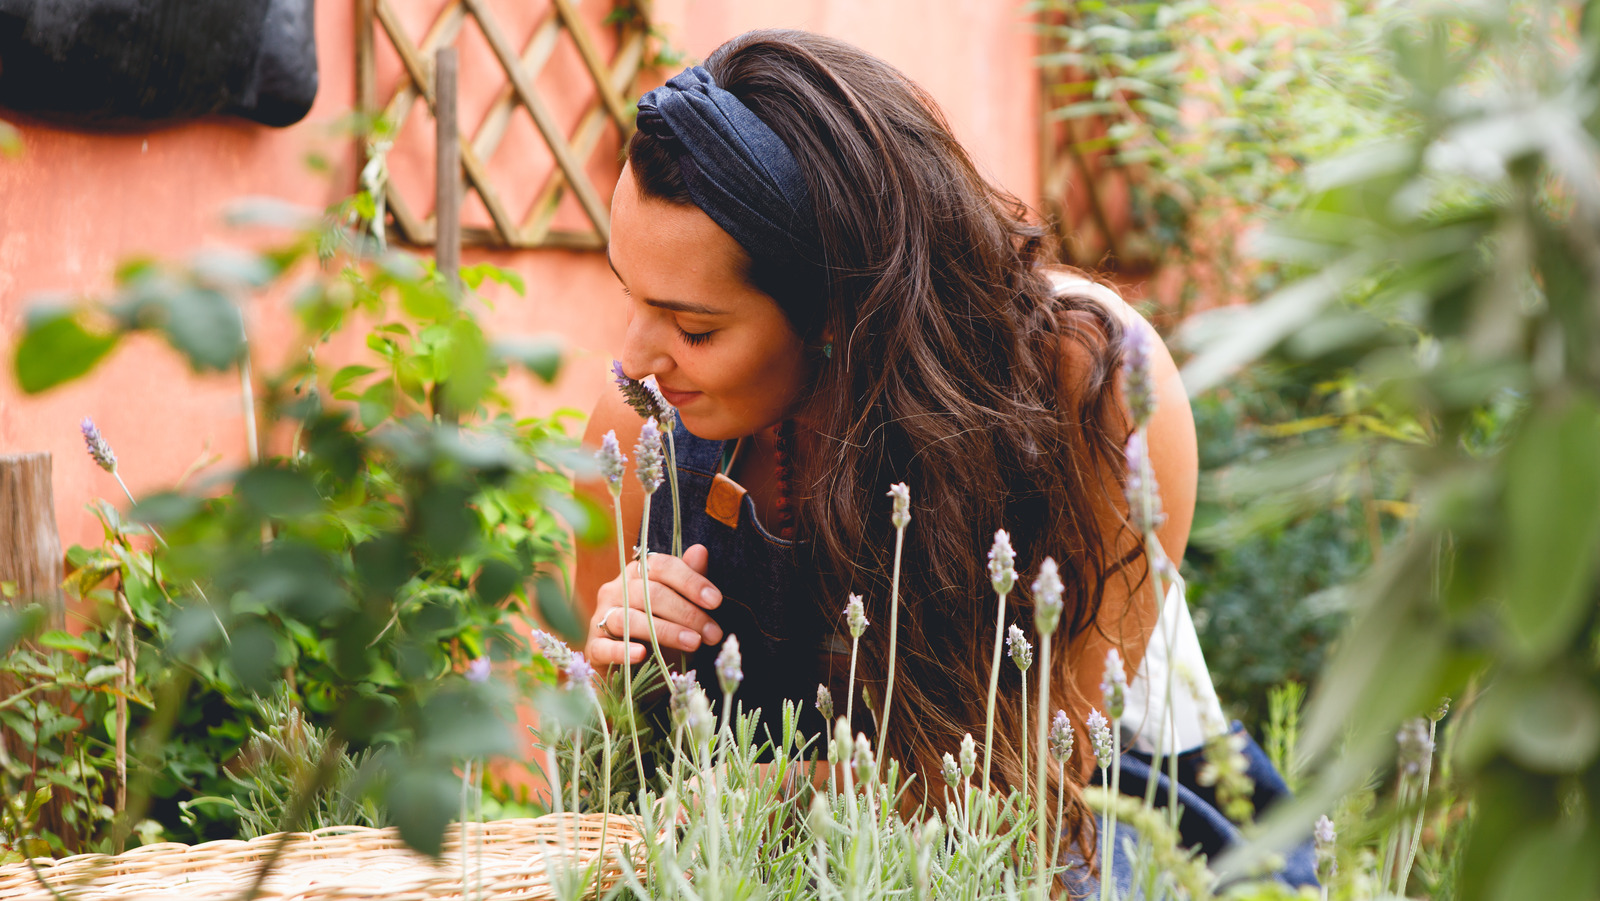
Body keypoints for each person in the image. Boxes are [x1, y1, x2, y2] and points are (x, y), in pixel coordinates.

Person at [573, 28, 1313, 891]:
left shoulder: (1086, 385)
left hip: (1104, 827)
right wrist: (613, 668)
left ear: (834, 308)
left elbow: (1035, 794)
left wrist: (775, 796)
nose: (636, 356)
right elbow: (606, 776)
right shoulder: (638, 433)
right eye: (628, 294)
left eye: (694, 327)